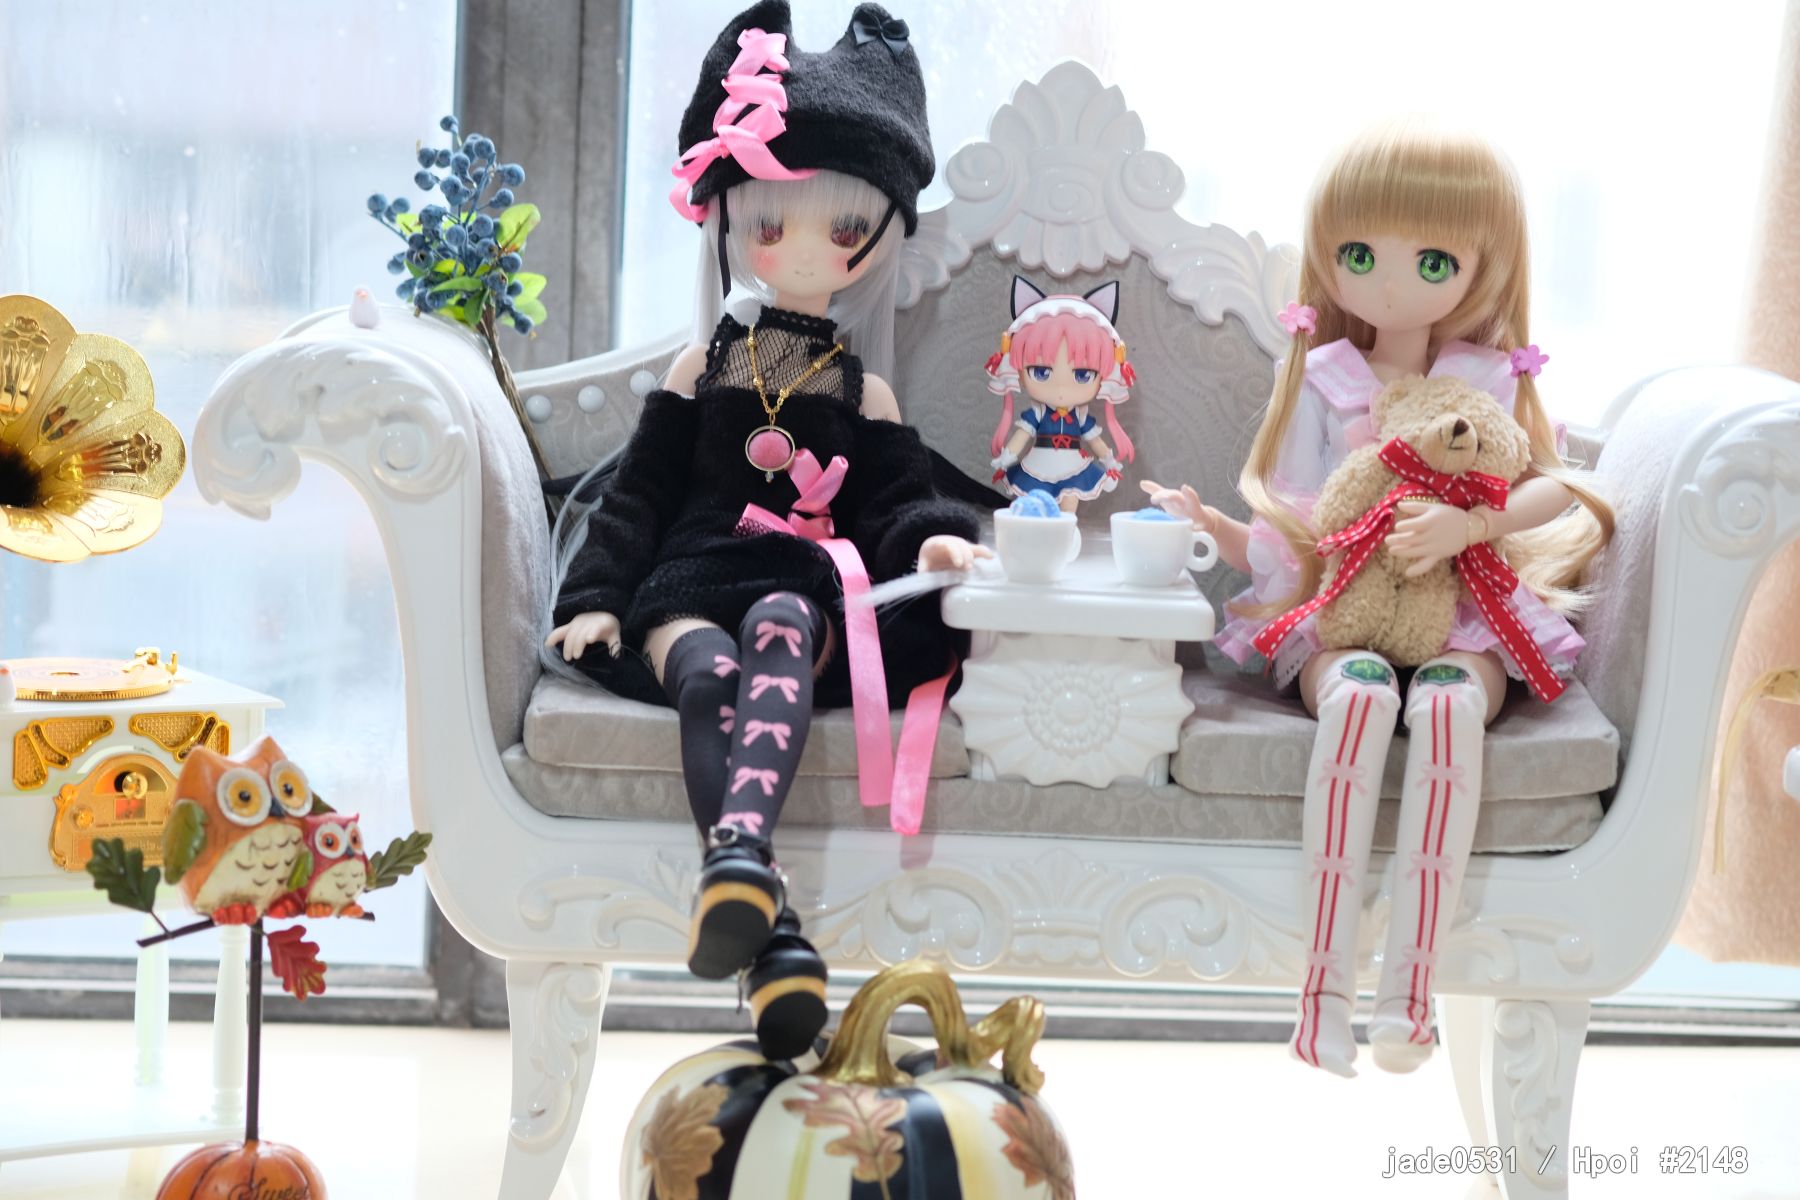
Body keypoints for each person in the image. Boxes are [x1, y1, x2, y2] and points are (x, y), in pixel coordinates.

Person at [545, 0, 984, 1060]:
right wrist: (595, 598)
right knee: (708, 675)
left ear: (873, 239)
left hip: (799, 579)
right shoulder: (701, 370)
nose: (801, 251)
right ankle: (763, 914)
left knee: (783, 628)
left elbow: (894, 501)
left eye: (841, 230)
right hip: (691, 576)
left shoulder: (862, 390)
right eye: (770, 226)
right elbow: (639, 493)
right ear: (733, 225)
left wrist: (930, 540)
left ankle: (747, 879)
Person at [1143, 119, 1613, 1076]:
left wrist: (1470, 526)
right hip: (1348, 602)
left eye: (1431, 261)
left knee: (1447, 711)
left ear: (1480, 266)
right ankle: (1321, 996)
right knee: (1356, 703)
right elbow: (1298, 515)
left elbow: (1557, 486)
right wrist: (1219, 529)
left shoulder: (1485, 381)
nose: (1390, 285)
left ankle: (1411, 997)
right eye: (1359, 256)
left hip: (1461, 609)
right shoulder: (1325, 379)